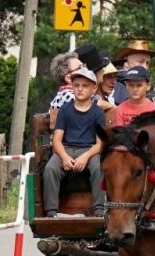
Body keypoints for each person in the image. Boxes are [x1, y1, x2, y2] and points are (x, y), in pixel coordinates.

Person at [45, 66, 109, 216]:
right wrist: (65, 157)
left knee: (98, 167)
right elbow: (57, 140)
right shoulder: (65, 110)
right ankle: (51, 211)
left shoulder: (97, 113)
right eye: (77, 85)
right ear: (72, 87)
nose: (80, 89)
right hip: (67, 148)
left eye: (85, 86)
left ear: (94, 88)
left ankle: (99, 209)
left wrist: (85, 156)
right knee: (50, 169)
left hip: (89, 150)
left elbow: (100, 143)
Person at [111, 39, 155, 103]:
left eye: (147, 63)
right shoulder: (117, 85)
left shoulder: (145, 84)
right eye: (140, 62)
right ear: (126, 64)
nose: (145, 67)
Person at [46, 51, 81, 129]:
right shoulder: (68, 95)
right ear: (68, 78)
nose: (86, 70)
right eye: (80, 68)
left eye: (84, 66)